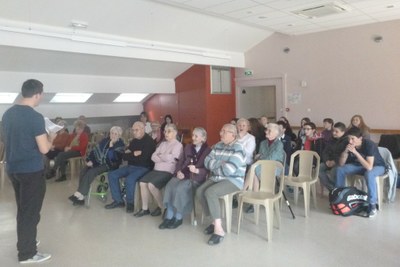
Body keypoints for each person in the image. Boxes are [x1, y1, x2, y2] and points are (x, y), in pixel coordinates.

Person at [2, 79, 55, 263]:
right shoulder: (35, 117)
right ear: (38, 94)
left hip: (13, 169)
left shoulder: (7, 114)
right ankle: (27, 253)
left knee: (24, 209)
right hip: (31, 171)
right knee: (30, 212)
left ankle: (26, 241)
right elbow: (45, 149)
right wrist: (52, 136)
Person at [196, 123, 246, 246]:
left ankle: (219, 230)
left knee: (210, 192)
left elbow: (229, 170)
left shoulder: (238, 148)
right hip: (218, 177)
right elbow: (207, 162)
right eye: (221, 131)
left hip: (234, 180)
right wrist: (220, 163)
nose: (220, 133)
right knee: (199, 191)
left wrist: (216, 165)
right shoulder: (218, 145)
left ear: (232, 134)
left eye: (224, 131)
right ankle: (214, 221)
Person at [159, 127, 211, 229]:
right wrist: (178, 171)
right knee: (170, 186)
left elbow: (207, 169)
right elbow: (180, 161)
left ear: (203, 138)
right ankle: (169, 216)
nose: (193, 138)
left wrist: (197, 171)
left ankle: (178, 217)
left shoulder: (208, 151)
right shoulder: (187, 147)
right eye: (193, 135)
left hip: (195, 178)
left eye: (196, 136)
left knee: (180, 189)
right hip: (182, 174)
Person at [105, 122, 156, 213]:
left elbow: (143, 159)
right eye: (133, 130)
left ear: (143, 129)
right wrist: (135, 154)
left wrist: (131, 155)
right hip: (131, 166)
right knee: (112, 174)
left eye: (136, 130)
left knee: (129, 179)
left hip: (144, 168)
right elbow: (124, 156)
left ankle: (130, 203)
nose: (134, 132)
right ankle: (118, 201)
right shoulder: (134, 141)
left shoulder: (149, 142)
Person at [134, 123, 183, 217]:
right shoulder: (162, 144)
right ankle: (145, 209)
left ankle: (162, 207)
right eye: (165, 131)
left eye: (169, 131)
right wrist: (165, 157)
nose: (166, 133)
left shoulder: (178, 145)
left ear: (175, 133)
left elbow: (172, 159)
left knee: (151, 185)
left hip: (168, 172)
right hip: (156, 170)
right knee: (142, 183)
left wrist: (160, 156)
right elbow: (153, 157)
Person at [68, 126, 125, 206]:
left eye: (116, 134)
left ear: (119, 135)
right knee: (83, 171)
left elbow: (113, 159)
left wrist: (111, 146)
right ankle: (81, 198)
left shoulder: (120, 145)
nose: (113, 135)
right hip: (98, 162)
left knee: (91, 172)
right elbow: (95, 151)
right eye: (112, 133)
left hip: (110, 165)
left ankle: (78, 194)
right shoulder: (105, 140)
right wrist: (90, 160)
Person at [335, 127, 385, 217]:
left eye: (353, 139)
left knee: (369, 174)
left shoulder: (369, 144)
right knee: (340, 169)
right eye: (349, 138)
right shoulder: (348, 143)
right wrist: (345, 152)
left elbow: (369, 167)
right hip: (359, 166)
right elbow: (341, 164)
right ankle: (340, 199)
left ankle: (372, 205)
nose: (350, 141)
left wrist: (355, 152)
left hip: (377, 166)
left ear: (360, 138)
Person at [246, 123, 285, 213]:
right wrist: (260, 157)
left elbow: (270, 159)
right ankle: (254, 203)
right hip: (261, 166)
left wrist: (260, 157)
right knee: (254, 171)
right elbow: (258, 156)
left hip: (274, 168)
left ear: (275, 133)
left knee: (253, 169)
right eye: (266, 130)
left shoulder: (279, 144)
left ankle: (244, 191)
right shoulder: (263, 143)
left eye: (269, 130)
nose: (266, 131)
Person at [319, 122, 348, 191]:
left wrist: (334, 162)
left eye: (336, 131)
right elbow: (325, 152)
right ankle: (333, 189)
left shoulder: (347, 141)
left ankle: (337, 190)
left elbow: (344, 155)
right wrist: (327, 161)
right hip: (329, 161)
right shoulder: (331, 140)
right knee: (319, 168)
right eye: (333, 131)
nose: (334, 133)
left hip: (341, 162)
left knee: (333, 171)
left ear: (343, 132)